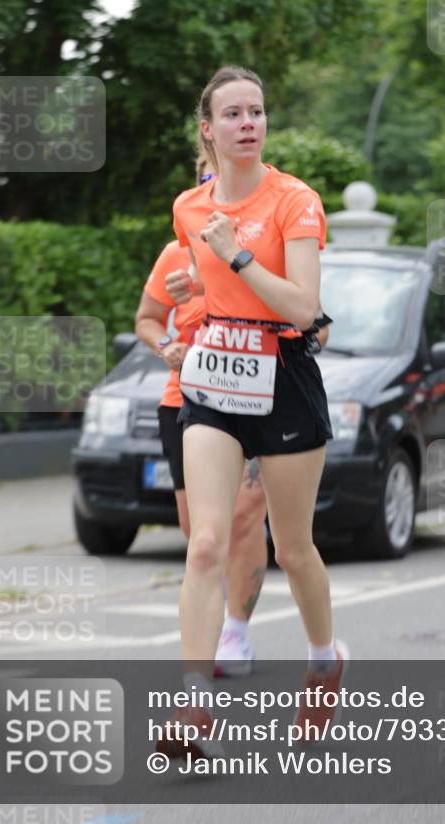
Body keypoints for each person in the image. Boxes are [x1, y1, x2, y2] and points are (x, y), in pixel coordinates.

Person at [157, 65, 346, 760]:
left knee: (291, 549)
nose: (247, 124)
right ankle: (193, 705)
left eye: (256, 112)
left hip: (284, 375)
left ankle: (323, 660)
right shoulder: (188, 207)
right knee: (206, 541)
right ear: (207, 129)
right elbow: (203, 287)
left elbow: (304, 308)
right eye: (232, 114)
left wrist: (234, 256)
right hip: (213, 377)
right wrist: (192, 287)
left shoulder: (294, 200)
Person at [135, 157, 268, 677]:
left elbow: (306, 313)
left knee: (243, 515)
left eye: (219, 176)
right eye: (202, 175)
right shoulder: (176, 249)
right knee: (201, 534)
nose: (211, 184)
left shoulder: (259, 246)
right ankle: (206, 635)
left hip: (251, 396)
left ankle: (237, 629)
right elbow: (147, 320)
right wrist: (166, 344)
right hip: (185, 399)